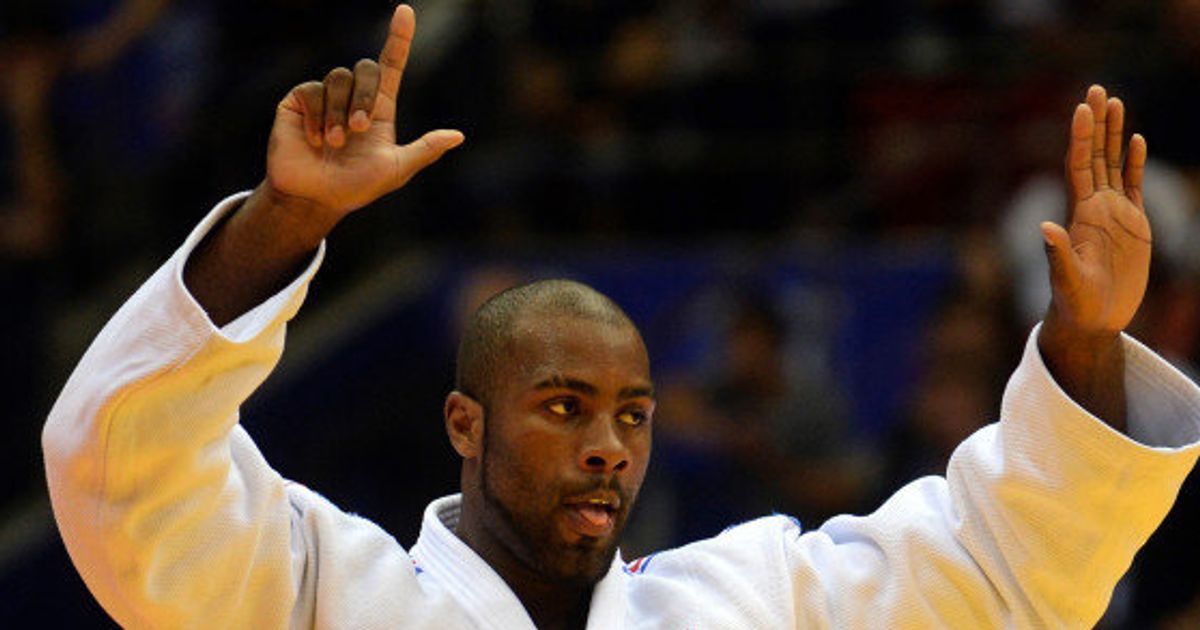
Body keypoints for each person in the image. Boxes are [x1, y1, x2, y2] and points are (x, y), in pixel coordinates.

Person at [42, 5, 1200, 629]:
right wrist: (280, 226)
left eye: (633, 415)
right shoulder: (326, 597)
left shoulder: (749, 603)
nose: (610, 446)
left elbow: (1000, 577)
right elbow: (127, 478)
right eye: (564, 407)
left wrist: (1087, 344)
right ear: (464, 424)